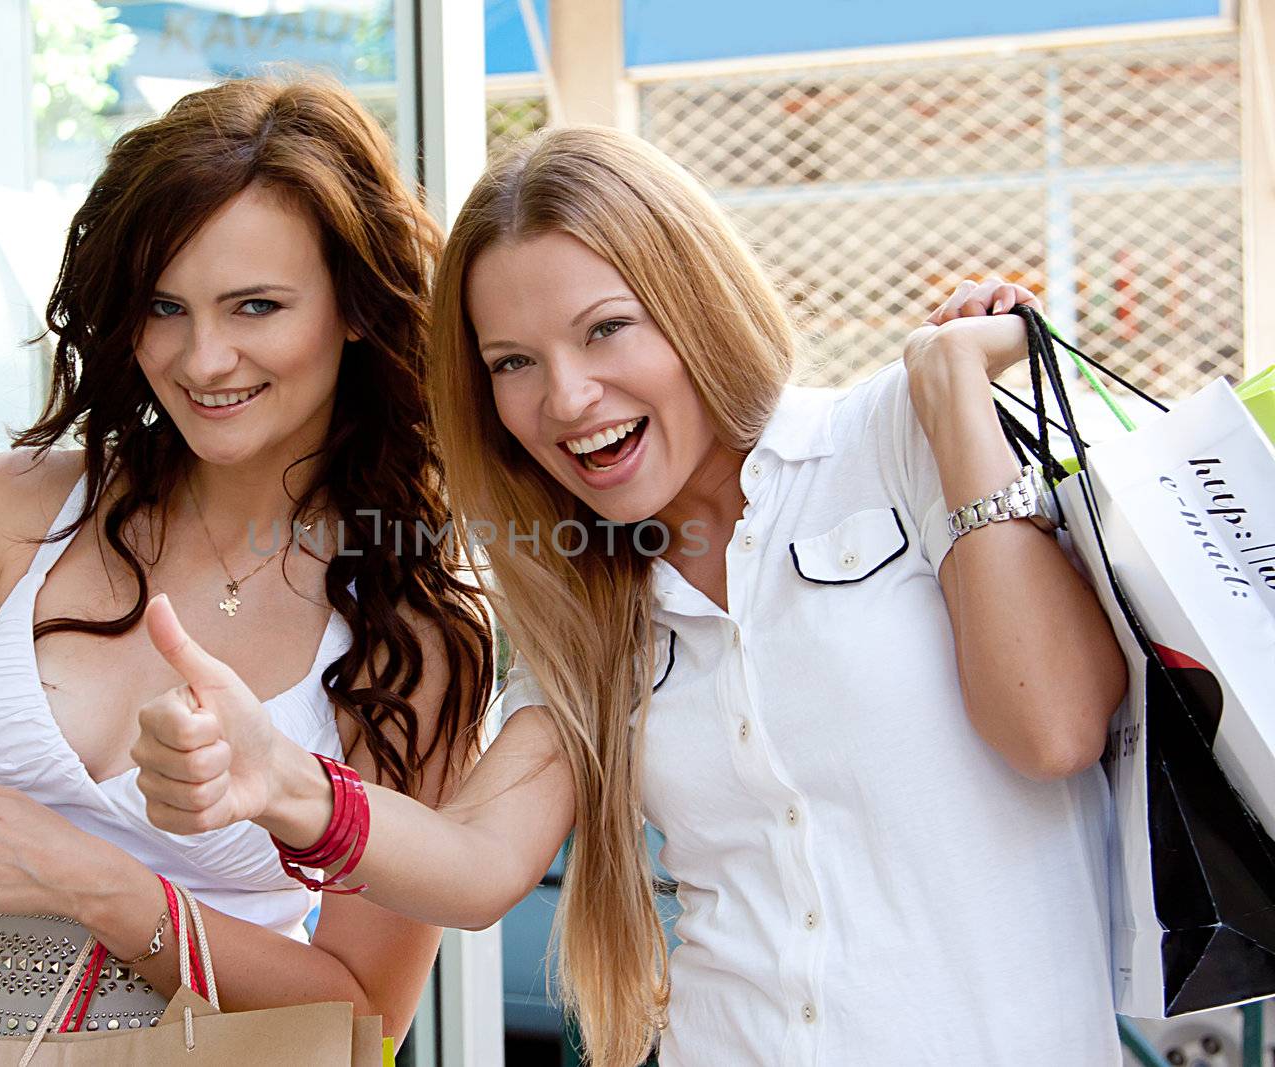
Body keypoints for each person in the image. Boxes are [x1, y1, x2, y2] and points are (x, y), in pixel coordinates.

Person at [131, 125, 1128, 1066]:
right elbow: (478, 863)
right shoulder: (586, 596)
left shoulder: (898, 440)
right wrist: (277, 778)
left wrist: (953, 389)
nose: (564, 398)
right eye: (512, 363)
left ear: (692, 300)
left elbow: (1054, 726)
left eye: (605, 330)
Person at [0, 76, 495, 1041]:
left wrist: (104, 889)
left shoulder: (409, 614)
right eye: (165, 307)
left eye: (255, 306)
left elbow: (368, 1010)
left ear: (353, 307)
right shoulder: (8, 509)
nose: (202, 358)